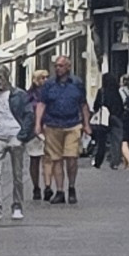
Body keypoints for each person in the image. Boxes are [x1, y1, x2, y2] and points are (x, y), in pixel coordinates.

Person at [38, 53, 88, 207]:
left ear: (68, 67)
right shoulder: (49, 85)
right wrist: (37, 123)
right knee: (56, 159)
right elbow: (42, 104)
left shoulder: (77, 83)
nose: (57, 69)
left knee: (72, 157)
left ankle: (71, 187)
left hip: (73, 124)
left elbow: (83, 104)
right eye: (56, 66)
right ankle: (60, 191)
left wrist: (86, 124)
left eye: (60, 66)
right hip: (53, 124)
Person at [0, 75, 29, 223]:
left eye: (0, 77)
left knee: (17, 174)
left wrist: (22, 136)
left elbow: (29, 115)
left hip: (15, 135)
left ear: (7, 78)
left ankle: (17, 206)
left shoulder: (19, 95)